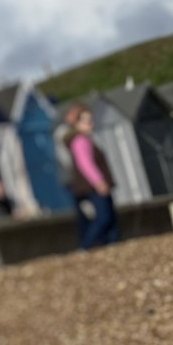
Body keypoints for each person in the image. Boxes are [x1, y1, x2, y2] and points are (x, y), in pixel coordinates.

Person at [59, 103, 120, 250]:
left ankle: (113, 244)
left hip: (93, 186)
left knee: (110, 217)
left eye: (91, 120)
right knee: (103, 217)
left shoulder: (87, 139)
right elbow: (85, 164)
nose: (90, 124)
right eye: (86, 121)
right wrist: (99, 182)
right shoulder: (80, 141)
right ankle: (87, 245)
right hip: (91, 187)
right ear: (77, 123)